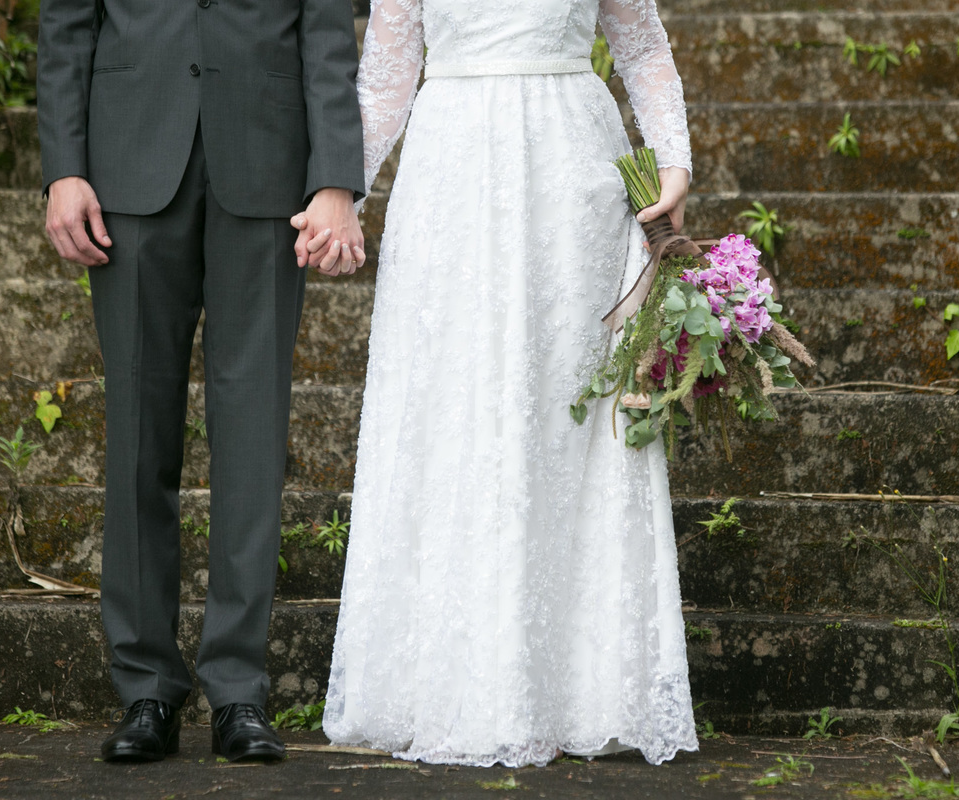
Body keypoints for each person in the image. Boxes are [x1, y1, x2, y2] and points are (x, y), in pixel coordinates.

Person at [323, 0, 699, 766]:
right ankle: (457, 684)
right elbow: (387, 76)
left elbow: (642, 46)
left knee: (562, 426)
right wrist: (341, 197)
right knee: (451, 414)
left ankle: (581, 692)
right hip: (450, 178)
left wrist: (675, 159)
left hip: (570, 174)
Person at [37, 0, 367, 763]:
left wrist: (334, 178)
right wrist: (63, 166)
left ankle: (238, 687)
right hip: (127, 160)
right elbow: (66, 24)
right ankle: (146, 685)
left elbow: (326, 31)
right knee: (136, 434)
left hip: (268, 161)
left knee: (253, 438)